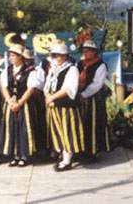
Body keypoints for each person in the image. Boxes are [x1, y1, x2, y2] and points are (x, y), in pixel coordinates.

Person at [44, 41, 85, 171]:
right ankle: (62, 156)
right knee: (57, 132)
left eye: (58, 55)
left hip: (66, 106)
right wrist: (47, 97)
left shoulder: (72, 69)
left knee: (67, 132)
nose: (56, 58)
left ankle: (67, 160)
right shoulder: (53, 69)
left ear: (65, 56)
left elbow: (68, 89)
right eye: (54, 55)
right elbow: (47, 86)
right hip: (53, 105)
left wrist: (52, 97)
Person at [0, 44, 38, 167]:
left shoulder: (30, 70)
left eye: (14, 55)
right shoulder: (7, 70)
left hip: (24, 103)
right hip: (11, 103)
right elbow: (4, 87)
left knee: (24, 128)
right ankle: (15, 155)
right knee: (12, 127)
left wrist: (20, 102)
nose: (11, 58)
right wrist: (10, 101)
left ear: (21, 56)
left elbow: (30, 88)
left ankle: (24, 155)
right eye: (10, 55)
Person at [77, 40, 111, 160]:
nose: (85, 53)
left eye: (87, 51)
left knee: (93, 124)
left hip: (94, 99)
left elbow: (97, 84)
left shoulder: (101, 65)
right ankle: (81, 150)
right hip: (80, 98)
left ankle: (93, 151)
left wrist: (84, 94)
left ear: (94, 52)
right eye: (84, 51)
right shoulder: (80, 64)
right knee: (81, 123)